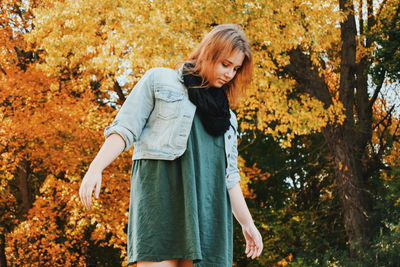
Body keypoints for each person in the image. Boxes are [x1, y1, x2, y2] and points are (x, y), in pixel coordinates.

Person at [79, 24, 263, 267]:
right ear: (208, 54)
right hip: (161, 195)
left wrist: (247, 224)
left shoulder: (227, 118)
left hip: (207, 206)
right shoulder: (160, 80)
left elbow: (230, 177)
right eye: (225, 64)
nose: (229, 74)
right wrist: (96, 167)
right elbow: (125, 128)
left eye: (235, 68)